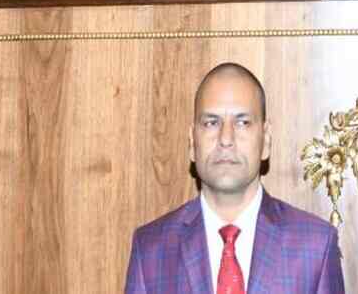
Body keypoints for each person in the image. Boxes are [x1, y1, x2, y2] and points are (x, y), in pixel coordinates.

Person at [124, 63, 345, 294]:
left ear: (266, 140)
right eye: (211, 122)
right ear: (192, 142)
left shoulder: (315, 247)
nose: (226, 139)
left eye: (242, 122)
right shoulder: (151, 250)